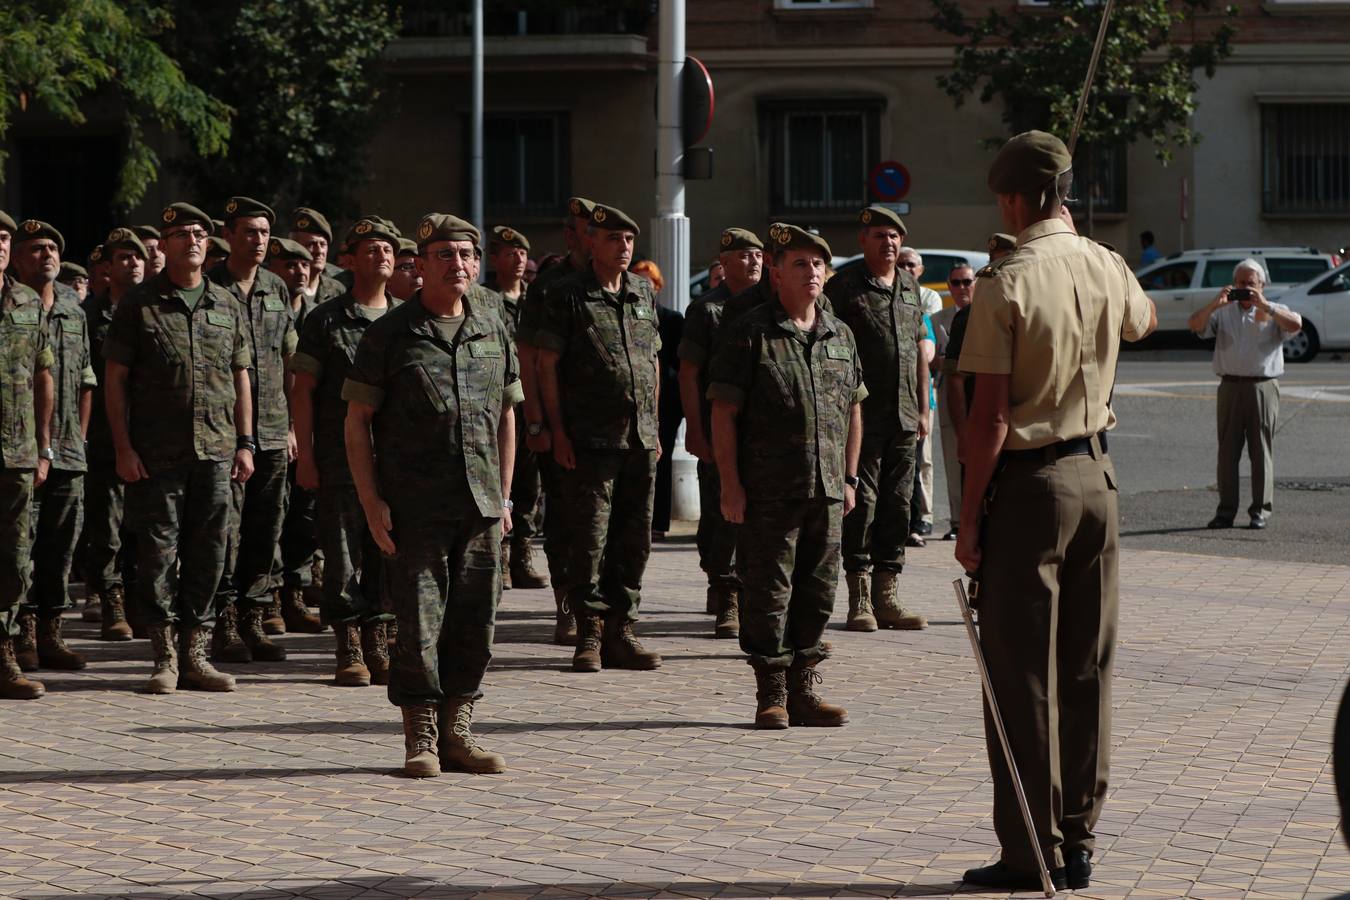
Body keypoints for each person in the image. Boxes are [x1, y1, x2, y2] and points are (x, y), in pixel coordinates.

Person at [955, 131, 1157, 892]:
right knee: (1086, 670)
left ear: (1012, 198)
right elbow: (1139, 322)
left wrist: (968, 522)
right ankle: (1078, 843)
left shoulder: (1005, 282)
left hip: (1031, 489)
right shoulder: (1106, 263)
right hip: (1098, 480)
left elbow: (990, 422)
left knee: (1021, 676)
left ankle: (1027, 850)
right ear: (1065, 194)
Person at [343, 212, 521, 777]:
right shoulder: (390, 334)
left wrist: (506, 497)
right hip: (414, 507)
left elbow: (507, 416)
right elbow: (357, 423)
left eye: (467, 254)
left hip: (481, 505)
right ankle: (420, 732)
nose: (458, 264)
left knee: (475, 622)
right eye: (445, 255)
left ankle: (458, 728)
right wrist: (372, 504)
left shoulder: (492, 323)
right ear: (419, 265)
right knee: (419, 624)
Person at [707, 224, 865, 729]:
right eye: (800, 263)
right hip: (767, 491)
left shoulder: (839, 334)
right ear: (776, 273)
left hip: (827, 490)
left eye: (818, 264)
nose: (812, 272)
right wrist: (730, 484)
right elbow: (723, 413)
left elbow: (854, 410)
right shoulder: (750, 331)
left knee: (819, 590)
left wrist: (850, 478)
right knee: (768, 592)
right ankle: (770, 690)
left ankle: (803, 689)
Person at [104, 201, 256, 695]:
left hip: (215, 449)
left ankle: (196, 654)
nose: (193, 241)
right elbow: (115, 381)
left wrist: (245, 442)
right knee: (155, 554)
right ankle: (164, 656)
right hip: (156, 453)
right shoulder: (139, 304)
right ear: (163, 246)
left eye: (199, 233)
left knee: (211, 552)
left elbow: (241, 376)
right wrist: (123, 448)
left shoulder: (226, 303)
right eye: (182, 234)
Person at [535, 203, 664, 674]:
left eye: (629, 240)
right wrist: (555, 429)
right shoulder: (566, 294)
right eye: (613, 239)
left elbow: (651, 362)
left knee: (634, 539)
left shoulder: (641, 292)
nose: (623, 248)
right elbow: (545, 365)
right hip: (588, 439)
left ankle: (621, 630)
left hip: (638, 439)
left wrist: (654, 426)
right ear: (591, 242)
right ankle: (588, 632)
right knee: (588, 538)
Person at [290, 218, 402, 687]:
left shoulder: (407, 317)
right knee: (341, 554)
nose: (382, 256)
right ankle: (348, 644)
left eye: (388, 250)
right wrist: (308, 456)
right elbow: (303, 389)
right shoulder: (326, 319)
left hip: (394, 460)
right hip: (339, 458)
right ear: (349, 260)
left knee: (390, 550)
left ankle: (380, 637)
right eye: (371, 249)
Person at [208, 197, 312, 668]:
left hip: (272, 432)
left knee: (265, 530)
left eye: (264, 232)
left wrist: (291, 423)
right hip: (222, 432)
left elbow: (290, 360)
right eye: (249, 231)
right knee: (225, 532)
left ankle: (254, 618)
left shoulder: (274, 287)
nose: (258, 240)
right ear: (228, 235)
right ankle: (224, 623)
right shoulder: (211, 287)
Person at [824, 206, 930, 633]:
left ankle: (889, 595)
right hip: (862, 418)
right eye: (880, 235)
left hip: (905, 416)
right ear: (863, 241)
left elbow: (918, 349)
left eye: (894, 236)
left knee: (899, 505)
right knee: (861, 504)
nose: (889, 243)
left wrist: (923, 407)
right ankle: (860, 599)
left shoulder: (909, 285)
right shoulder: (844, 287)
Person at [10, 221, 95, 673]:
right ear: (18, 259)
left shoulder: (72, 307)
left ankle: (51, 633)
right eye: (37, 249)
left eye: (53, 249)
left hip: (67, 449)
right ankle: (21, 634)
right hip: (20, 448)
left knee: (60, 546)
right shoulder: (12, 305)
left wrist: (78, 438)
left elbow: (86, 378)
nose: (47, 256)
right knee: (20, 547)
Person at [515, 197, 595, 644]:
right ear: (571, 236)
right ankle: (568, 605)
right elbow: (530, 358)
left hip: (614, 434)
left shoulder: (625, 285)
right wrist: (536, 424)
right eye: (589, 232)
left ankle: (606, 616)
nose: (597, 241)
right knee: (565, 522)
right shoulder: (549, 285)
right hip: (564, 424)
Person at [678, 227, 764, 635]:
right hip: (719, 427)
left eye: (758, 255)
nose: (754, 262)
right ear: (725, 264)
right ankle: (725, 590)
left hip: (763, 433)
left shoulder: (770, 307)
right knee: (719, 512)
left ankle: (749, 590)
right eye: (744, 256)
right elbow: (689, 373)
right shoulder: (707, 310)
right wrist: (694, 429)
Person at [1188, 259, 1302, 530]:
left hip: (1262, 386)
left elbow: (1296, 324)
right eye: (1240, 283)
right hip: (1229, 386)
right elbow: (1194, 325)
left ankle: (1260, 510)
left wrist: (1266, 306)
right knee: (1227, 452)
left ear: (1262, 285)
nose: (1245, 289)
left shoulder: (1274, 310)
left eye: (1251, 284)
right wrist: (1216, 303)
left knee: (1260, 451)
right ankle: (1225, 511)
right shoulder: (1224, 312)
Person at [0, 209, 56, 700]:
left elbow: (44, 376)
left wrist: (43, 447)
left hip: (16, 453)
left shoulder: (25, 302)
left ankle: (3, 653)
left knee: (15, 560)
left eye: (3, 238)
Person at [83, 228, 146, 641]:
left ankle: (143, 600)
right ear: (107, 267)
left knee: (143, 526)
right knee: (105, 527)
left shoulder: (153, 309)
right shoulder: (88, 315)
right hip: (105, 437)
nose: (133, 263)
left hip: (153, 436)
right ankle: (111, 603)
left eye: (138, 257)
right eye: (124, 257)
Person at [487, 226, 547, 591]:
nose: (519, 259)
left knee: (531, 481)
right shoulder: (485, 300)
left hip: (533, 400)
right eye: (510, 253)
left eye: (523, 253)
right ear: (495, 259)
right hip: (500, 401)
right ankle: (502, 556)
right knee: (500, 475)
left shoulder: (535, 300)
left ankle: (523, 551)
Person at [630, 260, 684, 539]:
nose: (643, 288)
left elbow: (681, 363)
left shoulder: (673, 319)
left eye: (648, 283)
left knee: (661, 461)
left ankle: (658, 522)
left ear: (658, 287)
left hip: (667, 403)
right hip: (636, 399)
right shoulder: (627, 316)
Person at [937, 263, 975, 541]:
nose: (962, 288)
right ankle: (957, 520)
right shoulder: (940, 318)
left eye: (967, 281)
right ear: (949, 287)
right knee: (953, 456)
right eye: (956, 283)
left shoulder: (985, 315)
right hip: (950, 391)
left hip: (981, 394)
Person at [290, 208, 347, 306]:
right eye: (311, 244)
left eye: (323, 244)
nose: (319, 251)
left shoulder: (338, 287)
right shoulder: (282, 284)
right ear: (295, 247)